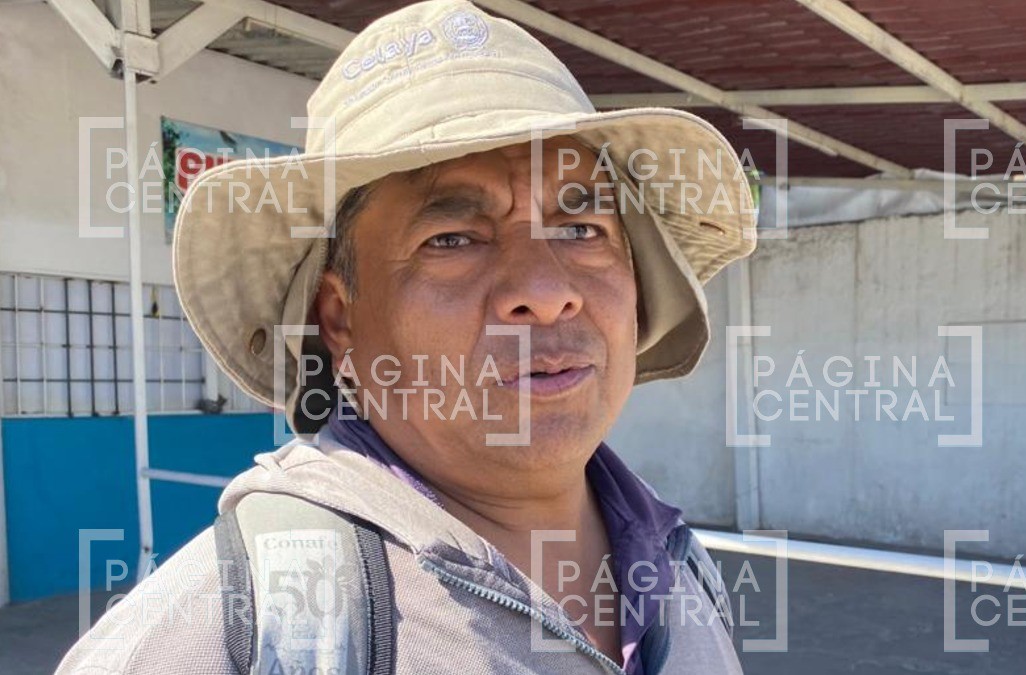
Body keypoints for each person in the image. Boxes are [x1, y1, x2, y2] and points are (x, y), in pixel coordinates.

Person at [57, 0, 756, 672]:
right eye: (452, 238)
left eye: (581, 229)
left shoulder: (679, 569)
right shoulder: (235, 631)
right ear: (340, 319)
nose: (545, 293)